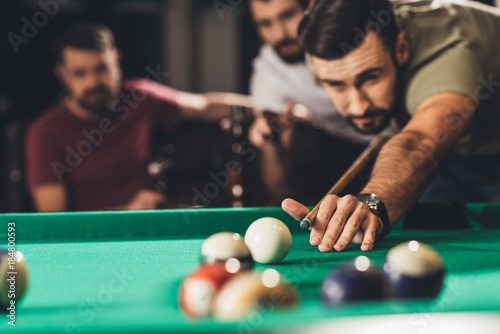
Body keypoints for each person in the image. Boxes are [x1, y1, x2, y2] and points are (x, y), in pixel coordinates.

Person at [282, 0, 500, 252]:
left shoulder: (451, 53)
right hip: (450, 158)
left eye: (371, 77)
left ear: (401, 48)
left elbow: (421, 142)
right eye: (337, 84)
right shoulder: (323, 53)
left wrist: (373, 202)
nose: (358, 107)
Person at [26, 22, 252, 212]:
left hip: (152, 231)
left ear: (116, 62)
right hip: (87, 245)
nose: (92, 82)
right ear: (62, 74)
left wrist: (267, 108)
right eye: (80, 73)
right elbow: (55, 221)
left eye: (101, 68)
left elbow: (205, 105)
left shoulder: (139, 98)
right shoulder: (45, 133)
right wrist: (127, 211)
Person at [247, 0, 373, 203]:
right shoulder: (268, 71)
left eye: (287, 15)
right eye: (265, 23)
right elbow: (278, 186)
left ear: (312, 6)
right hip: (340, 155)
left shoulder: (358, 33)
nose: (280, 34)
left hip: (399, 137)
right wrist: (271, 138)